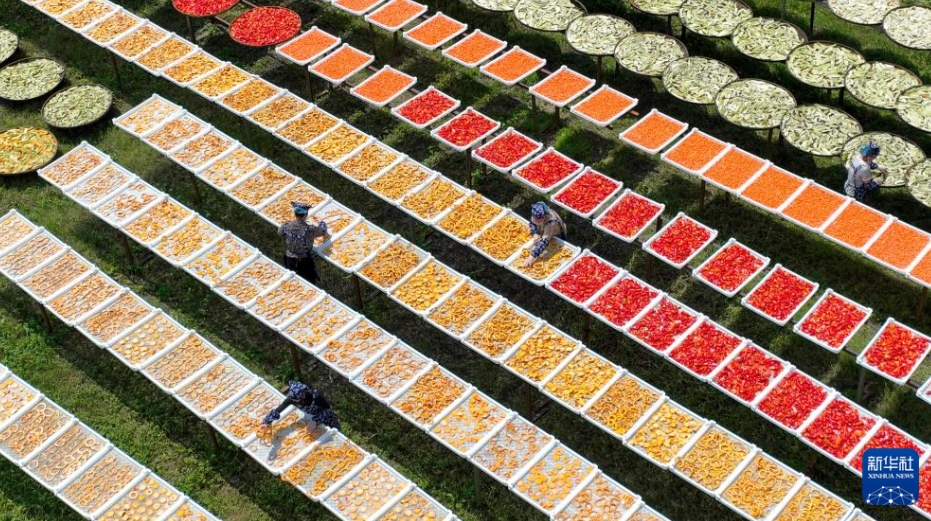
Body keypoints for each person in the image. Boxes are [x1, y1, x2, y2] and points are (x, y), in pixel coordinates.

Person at [279, 202, 327, 285]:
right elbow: (322, 231)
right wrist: (322, 223)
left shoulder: (286, 225)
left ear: (295, 213)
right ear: (306, 215)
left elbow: (280, 234)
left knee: (291, 282)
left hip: (289, 259)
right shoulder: (309, 229)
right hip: (304, 262)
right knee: (308, 284)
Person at [262, 381, 340, 429]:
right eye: (292, 399)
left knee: (333, 430)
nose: (293, 401)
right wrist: (267, 421)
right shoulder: (292, 399)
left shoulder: (317, 397)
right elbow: (279, 410)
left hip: (325, 418)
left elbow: (328, 410)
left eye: (296, 400)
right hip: (309, 418)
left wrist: (315, 421)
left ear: (303, 397)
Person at [524, 202, 567, 267]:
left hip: (557, 233)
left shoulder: (551, 222)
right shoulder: (536, 211)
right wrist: (535, 233)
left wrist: (532, 256)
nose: (537, 221)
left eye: (540, 219)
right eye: (536, 219)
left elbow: (544, 241)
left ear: (544, 216)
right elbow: (532, 223)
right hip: (544, 230)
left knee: (557, 247)